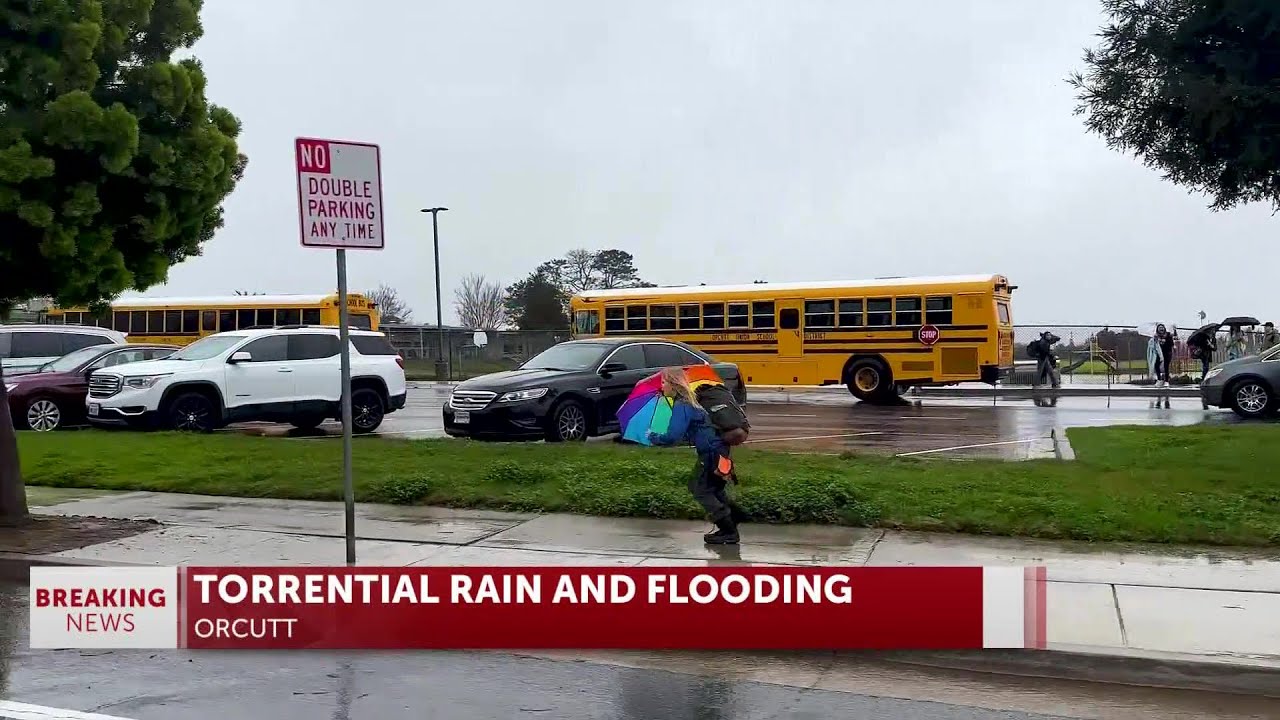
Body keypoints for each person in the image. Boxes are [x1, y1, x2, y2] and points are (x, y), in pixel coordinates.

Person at [648, 367, 743, 545]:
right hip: (719, 450)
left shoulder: (682, 405)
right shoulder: (690, 402)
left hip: (710, 454)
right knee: (714, 488)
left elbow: (672, 437)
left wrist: (653, 437)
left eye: (663, 382)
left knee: (700, 489)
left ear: (673, 384)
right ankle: (734, 517)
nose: (661, 387)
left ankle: (729, 530)